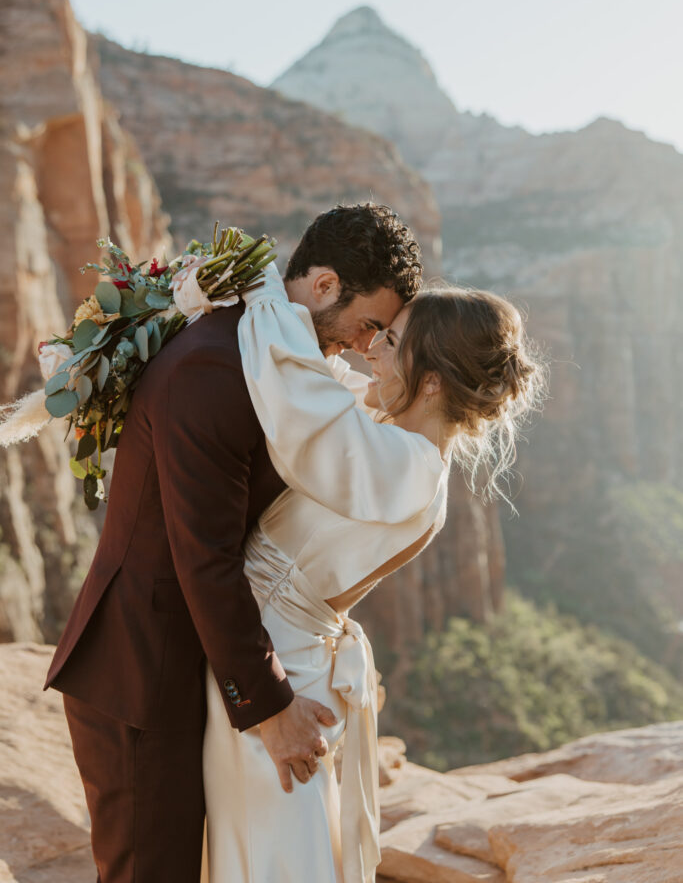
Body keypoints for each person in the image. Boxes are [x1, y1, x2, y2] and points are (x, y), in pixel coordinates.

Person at [45, 204, 450, 883]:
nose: (364, 344)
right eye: (370, 324)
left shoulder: (265, 354)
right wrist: (270, 707)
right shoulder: (215, 366)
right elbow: (202, 555)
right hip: (144, 670)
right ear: (322, 286)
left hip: (187, 663)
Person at [202, 278, 543, 883]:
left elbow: (296, 399)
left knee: (274, 857)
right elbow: (325, 385)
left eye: (392, 341)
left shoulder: (403, 464)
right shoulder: (392, 442)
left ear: (433, 380)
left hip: (278, 674)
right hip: (279, 656)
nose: (371, 352)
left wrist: (264, 296)